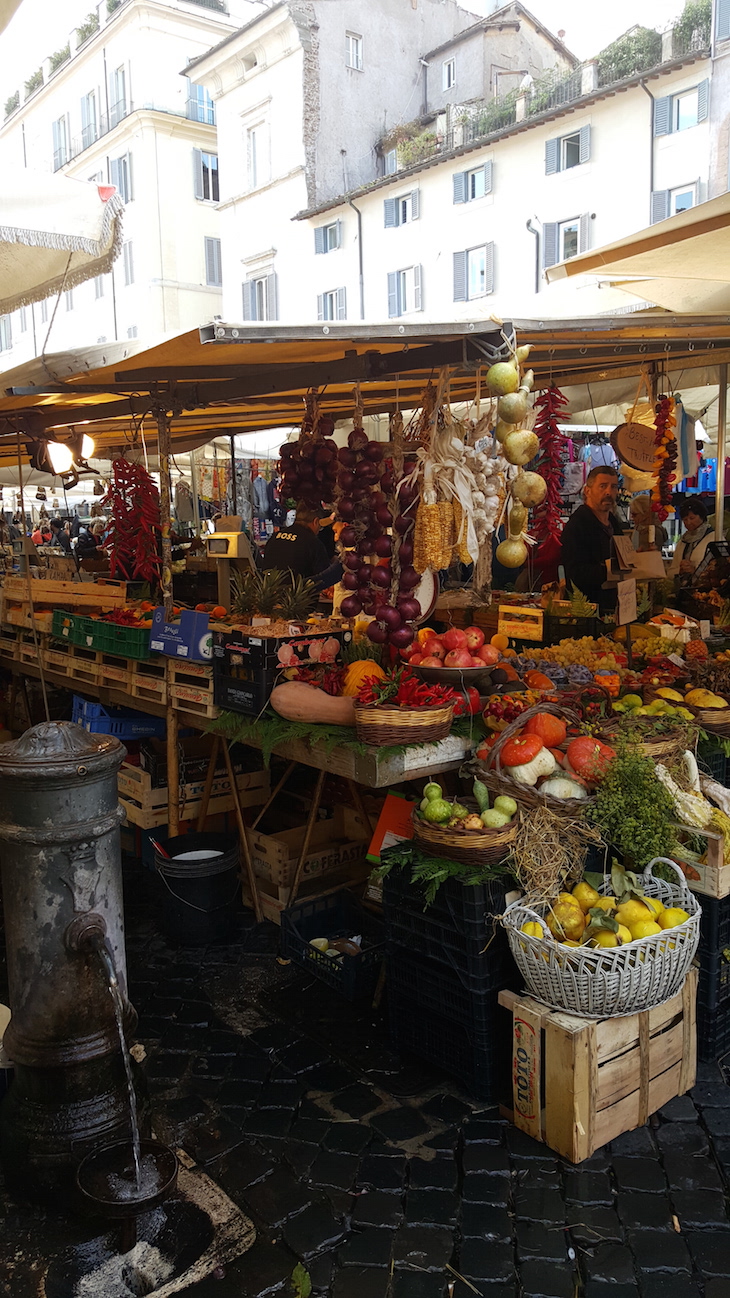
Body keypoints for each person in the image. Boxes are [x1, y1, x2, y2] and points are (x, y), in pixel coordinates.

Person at [559, 466, 625, 613]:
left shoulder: (615, 524)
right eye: (602, 486)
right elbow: (575, 573)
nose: (609, 492)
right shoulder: (576, 526)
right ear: (587, 491)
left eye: (613, 487)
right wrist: (608, 569)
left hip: (613, 608)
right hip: (585, 611)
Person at [262, 505, 342, 589]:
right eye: (320, 527)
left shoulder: (274, 537)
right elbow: (324, 579)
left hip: (270, 594)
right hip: (299, 598)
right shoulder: (313, 543)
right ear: (315, 522)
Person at [668, 499, 714, 579]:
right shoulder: (682, 541)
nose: (688, 522)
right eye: (685, 520)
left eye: (692, 518)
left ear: (702, 517)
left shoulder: (714, 537)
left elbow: (721, 570)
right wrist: (680, 570)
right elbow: (670, 572)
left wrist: (695, 571)